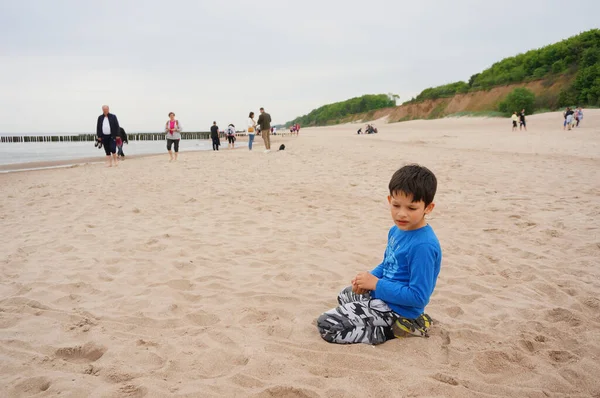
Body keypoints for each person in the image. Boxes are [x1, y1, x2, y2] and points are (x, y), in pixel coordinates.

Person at [317, 164, 442, 345]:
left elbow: (418, 297)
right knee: (345, 295)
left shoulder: (423, 246)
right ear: (389, 199)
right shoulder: (396, 230)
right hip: (384, 296)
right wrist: (367, 280)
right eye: (396, 205)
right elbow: (388, 263)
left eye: (411, 208)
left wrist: (376, 284)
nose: (401, 214)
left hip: (399, 310)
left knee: (327, 325)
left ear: (428, 208)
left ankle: (396, 330)